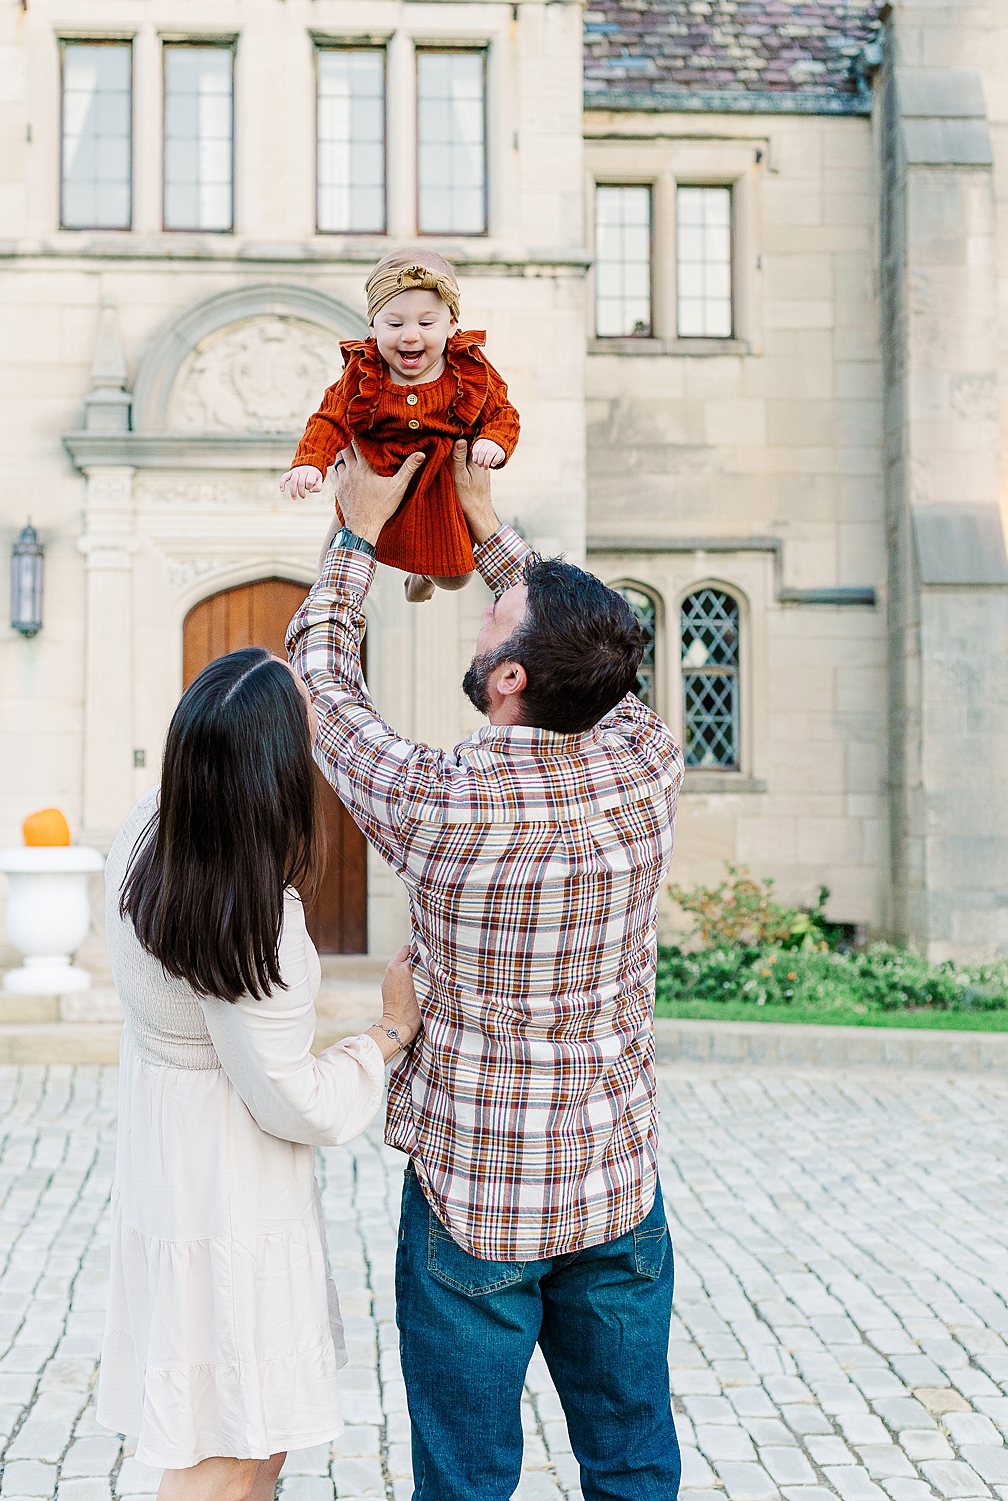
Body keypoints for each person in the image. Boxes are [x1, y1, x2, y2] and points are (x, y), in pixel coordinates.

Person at [287, 441, 685, 1501]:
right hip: (613, 1184)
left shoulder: (438, 803)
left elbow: (321, 687)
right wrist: (485, 517)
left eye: (491, 624)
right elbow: (579, 654)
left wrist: (355, 535)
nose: (478, 616)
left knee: (464, 1481)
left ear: (509, 678)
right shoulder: (648, 762)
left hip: (475, 1198)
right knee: (634, 1462)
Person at [96, 646, 422, 1501]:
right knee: (234, 1446)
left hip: (169, 1154)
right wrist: (387, 1033)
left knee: (257, 1434)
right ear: (273, 773)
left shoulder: (145, 831)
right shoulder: (250, 919)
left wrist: (346, 526)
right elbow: (293, 1099)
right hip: (226, 1186)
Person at [279, 247, 520, 603]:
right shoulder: (364, 370)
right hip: (373, 477)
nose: (409, 335)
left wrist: (494, 442)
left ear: (452, 324)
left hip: (437, 487)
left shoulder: (468, 368)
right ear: (373, 325)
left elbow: (503, 412)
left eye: (426, 324)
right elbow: (329, 417)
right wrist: (310, 462)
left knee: (457, 577)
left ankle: (421, 574)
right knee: (328, 562)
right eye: (394, 324)